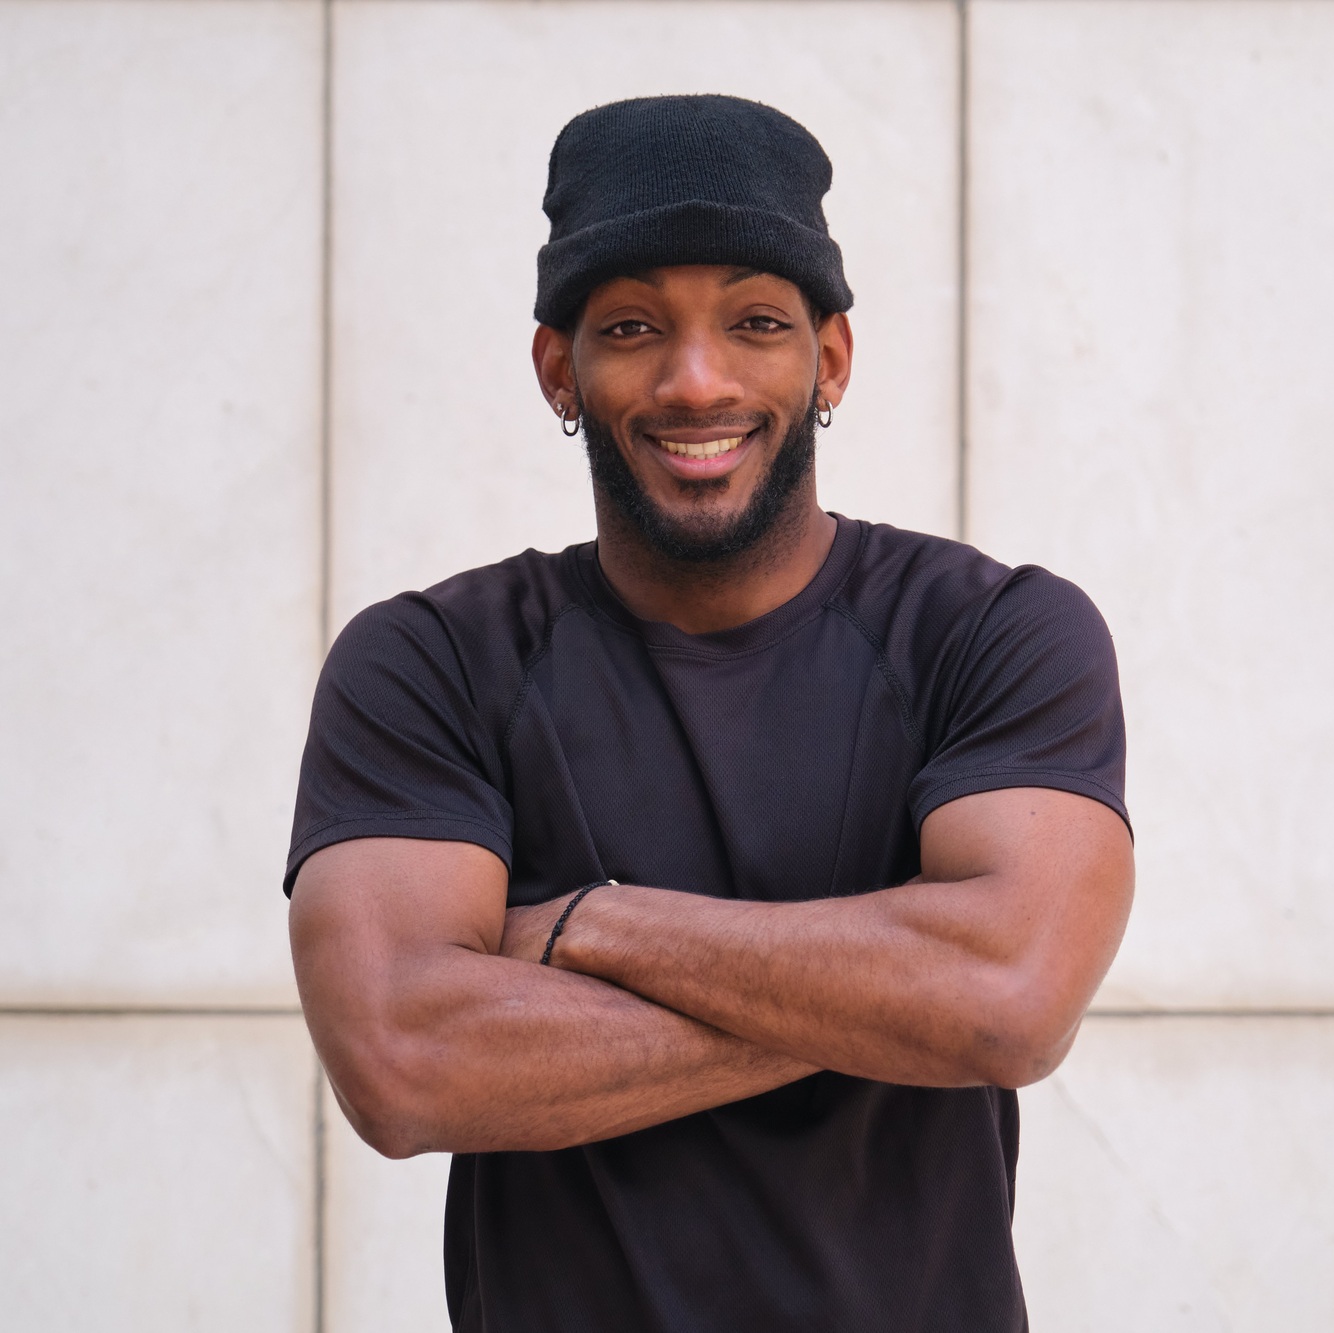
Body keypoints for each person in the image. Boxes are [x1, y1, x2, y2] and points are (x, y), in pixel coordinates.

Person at [285, 94, 1133, 1333]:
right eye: (631, 325)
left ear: (827, 357)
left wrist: (590, 924)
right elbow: (404, 1064)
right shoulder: (431, 662)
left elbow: (1007, 998)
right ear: (556, 367)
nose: (696, 381)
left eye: (753, 322)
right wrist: (901, 997)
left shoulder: (990, 634)